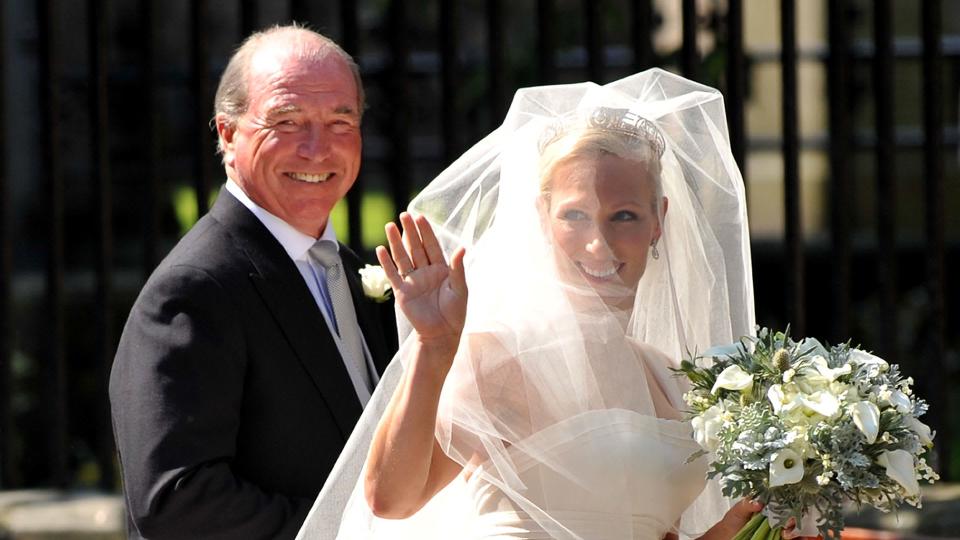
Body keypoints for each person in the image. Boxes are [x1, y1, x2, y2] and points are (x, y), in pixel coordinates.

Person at [296, 69, 786, 540]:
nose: (599, 243)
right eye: (575, 215)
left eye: (624, 216)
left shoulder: (667, 376)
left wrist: (729, 531)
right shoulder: (507, 356)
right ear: (541, 218)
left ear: (659, 220)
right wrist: (434, 346)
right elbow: (391, 501)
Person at [109, 26, 395, 539]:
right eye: (287, 121)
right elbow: (178, 501)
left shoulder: (351, 273)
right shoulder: (193, 291)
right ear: (227, 134)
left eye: (340, 120)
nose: (317, 148)